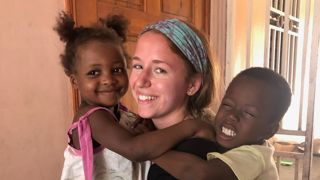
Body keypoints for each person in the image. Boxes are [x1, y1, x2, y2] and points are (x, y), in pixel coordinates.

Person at [55, 13, 214, 180]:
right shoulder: (92, 117)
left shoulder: (120, 113)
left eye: (116, 70)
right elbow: (134, 149)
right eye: (94, 73)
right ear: (74, 81)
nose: (108, 80)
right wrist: (191, 127)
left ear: (192, 84)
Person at [151, 67, 292, 180]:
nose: (232, 116)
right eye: (227, 105)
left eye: (248, 113)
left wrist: (152, 152)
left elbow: (200, 174)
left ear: (270, 131)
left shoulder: (256, 156)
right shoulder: (212, 133)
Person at [129, 18, 222, 179]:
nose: (141, 81)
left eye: (160, 70)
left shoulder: (196, 152)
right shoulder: (138, 127)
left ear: (192, 84)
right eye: (138, 66)